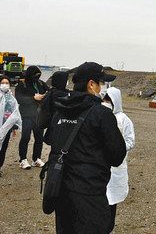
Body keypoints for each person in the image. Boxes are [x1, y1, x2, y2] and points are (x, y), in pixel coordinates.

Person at [44, 62, 126, 234]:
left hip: (61, 190)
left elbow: (50, 140)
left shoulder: (60, 110)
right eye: (101, 83)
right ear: (91, 84)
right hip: (89, 191)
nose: (103, 88)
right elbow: (117, 156)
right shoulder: (102, 114)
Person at [103, 87, 135, 232]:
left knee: (112, 200)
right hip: (100, 165)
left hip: (116, 167)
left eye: (109, 100)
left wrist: (117, 148)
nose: (106, 102)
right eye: (105, 99)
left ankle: (109, 228)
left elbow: (130, 141)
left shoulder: (124, 119)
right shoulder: (100, 116)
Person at [15, 65, 48, 169]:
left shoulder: (41, 83)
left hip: (39, 115)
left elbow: (49, 92)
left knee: (39, 138)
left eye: (38, 75)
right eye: (35, 76)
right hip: (26, 116)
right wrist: (33, 98)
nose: (37, 78)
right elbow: (19, 98)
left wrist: (45, 96)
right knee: (25, 137)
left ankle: (36, 159)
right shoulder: (22, 84)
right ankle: (23, 160)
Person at [0, 77, 22, 177]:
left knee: (3, 148)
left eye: (7, 83)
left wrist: (13, 127)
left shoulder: (11, 98)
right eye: (2, 83)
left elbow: (14, 112)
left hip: (6, 127)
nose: (5, 84)